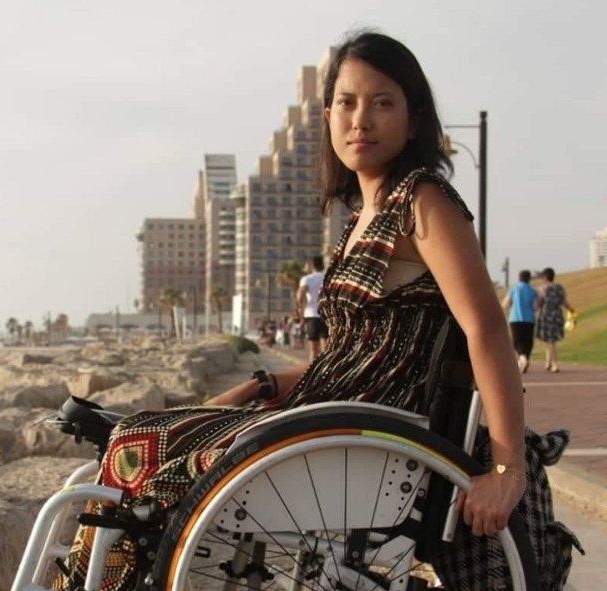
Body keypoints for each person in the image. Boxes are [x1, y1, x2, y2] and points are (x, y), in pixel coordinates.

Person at [54, 31, 559, 591]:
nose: (360, 120)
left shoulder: (422, 200)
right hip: (324, 419)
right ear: (327, 116)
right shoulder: (361, 217)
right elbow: (348, 355)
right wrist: (260, 385)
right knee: (135, 437)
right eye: (347, 103)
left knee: (138, 447)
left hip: (355, 437)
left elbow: (485, 328)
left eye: (382, 103)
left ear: (414, 119)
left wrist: (507, 471)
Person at [536, 267, 575, 373]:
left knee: (550, 340)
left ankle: (554, 363)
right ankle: (548, 362)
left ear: (545, 277)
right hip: (557, 315)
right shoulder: (559, 288)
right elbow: (564, 302)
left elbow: (539, 303)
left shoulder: (542, 289)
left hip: (546, 315)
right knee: (551, 340)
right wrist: (571, 309)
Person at [502, 269, 539, 373]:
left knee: (517, 340)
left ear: (519, 278)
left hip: (515, 318)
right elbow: (535, 306)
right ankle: (524, 359)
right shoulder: (532, 291)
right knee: (527, 341)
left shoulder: (514, 289)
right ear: (529, 279)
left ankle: (522, 358)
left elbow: (506, 303)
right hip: (529, 319)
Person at [295, 255, 329, 361]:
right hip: (326, 314)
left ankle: (313, 370)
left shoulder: (307, 279)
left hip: (312, 315)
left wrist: (300, 309)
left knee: (313, 350)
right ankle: (326, 368)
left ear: (312, 266)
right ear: (323, 265)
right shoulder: (328, 277)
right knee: (326, 348)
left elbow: (300, 297)